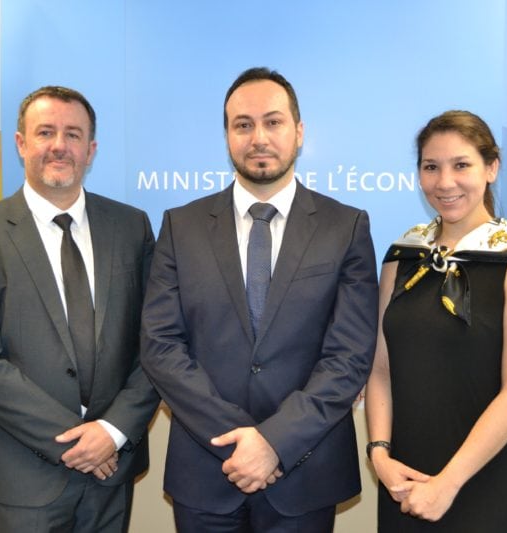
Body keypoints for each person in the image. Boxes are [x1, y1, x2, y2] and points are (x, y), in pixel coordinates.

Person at [140, 67, 379, 532]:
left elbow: (348, 356)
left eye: (273, 122)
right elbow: (161, 346)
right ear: (227, 135)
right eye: (243, 124)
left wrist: (274, 441)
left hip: (305, 473)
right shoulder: (180, 226)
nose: (258, 137)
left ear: (299, 131)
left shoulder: (345, 227)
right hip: (207, 472)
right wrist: (242, 442)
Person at [0, 86, 159, 532]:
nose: (59, 145)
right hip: (27, 476)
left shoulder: (131, 227)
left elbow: (157, 341)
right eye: (45, 132)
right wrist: (75, 442)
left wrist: (112, 432)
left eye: (73, 134)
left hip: (111, 468)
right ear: (22, 143)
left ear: (91, 150)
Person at [365, 110, 507, 531]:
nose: (444, 182)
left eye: (461, 165)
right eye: (431, 167)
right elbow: (379, 367)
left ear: (491, 168)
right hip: (402, 479)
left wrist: (448, 484)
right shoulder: (402, 256)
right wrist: (380, 454)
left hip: (481, 481)